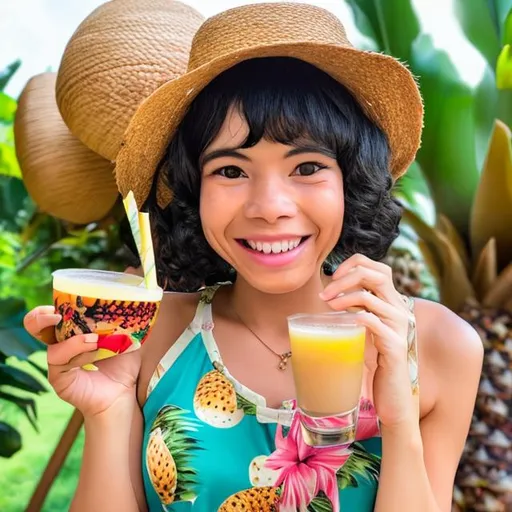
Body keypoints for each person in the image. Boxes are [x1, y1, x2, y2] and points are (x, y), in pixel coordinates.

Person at [23, 3, 484, 511]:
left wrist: (398, 419)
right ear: (194, 190)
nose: (269, 208)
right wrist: (107, 410)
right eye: (231, 171)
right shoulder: (155, 333)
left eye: (307, 166)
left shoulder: (440, 347)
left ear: (349, 183)